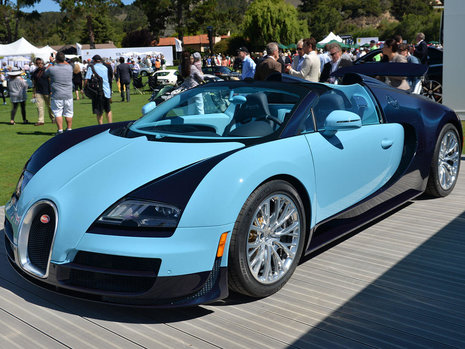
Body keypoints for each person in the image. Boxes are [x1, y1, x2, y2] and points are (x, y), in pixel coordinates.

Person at [44, 51, 74, 134]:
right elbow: (65, 63)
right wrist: (59, 58)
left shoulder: (52, 68)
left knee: (58, 113)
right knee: (69, 113)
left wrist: (51, 61)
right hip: (68, 94)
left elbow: (45, 73)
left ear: (56, 59)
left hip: (57, 95)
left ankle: (60, 130)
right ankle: (69, 129)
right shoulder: (69, 68)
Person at [84, 55, 113, 125]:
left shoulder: (92, 68)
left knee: (99, 112)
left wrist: (84, 88)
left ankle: (101, 126)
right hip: (106, 91)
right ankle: (110, 124)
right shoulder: (105, 67)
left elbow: (86, 79)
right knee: (108, 110)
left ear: (94, 61)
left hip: (97, 92)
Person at [31, 58, 54, 126]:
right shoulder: (35, 72)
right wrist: (34, 92)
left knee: (49, 106)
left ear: (43, 63)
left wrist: (51, 90)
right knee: (39, 107)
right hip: (38, 91)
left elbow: (50, 81)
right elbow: (34, 83)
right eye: (37, 63)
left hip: (47, 91)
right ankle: (41, 121)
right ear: (36, 64)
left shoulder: (46, 71)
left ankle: (53, 118)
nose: (39, 64)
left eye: (40, 63)